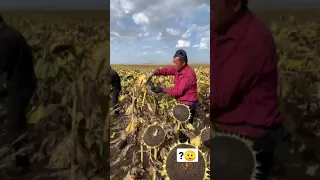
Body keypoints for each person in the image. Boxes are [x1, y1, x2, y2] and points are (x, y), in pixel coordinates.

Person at [210, 1, 287, 180]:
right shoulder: (218, 29)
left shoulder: (254, 39)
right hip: (224, 129)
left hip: (251, 138)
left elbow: (219, 96)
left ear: (235, 3)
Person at [0, 14, 37, 170]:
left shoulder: (6, 39)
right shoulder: (9, 34)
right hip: (20, 83)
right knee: (16, 122)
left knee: (15, 125)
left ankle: (22, 163)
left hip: (20, 87)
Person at [146, 49, 199, 142]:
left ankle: (184, 147)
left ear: (183, 63)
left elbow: (177, 92)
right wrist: (154, 72)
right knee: (179, 127)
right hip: (181, 102)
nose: (174, 65)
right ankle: (180, 143)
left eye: (176, 63)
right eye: (173, 62)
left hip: (189, 105)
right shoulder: (178, 68)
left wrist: (162, 89)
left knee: (185, 130)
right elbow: (167, 70)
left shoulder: (188, 75)